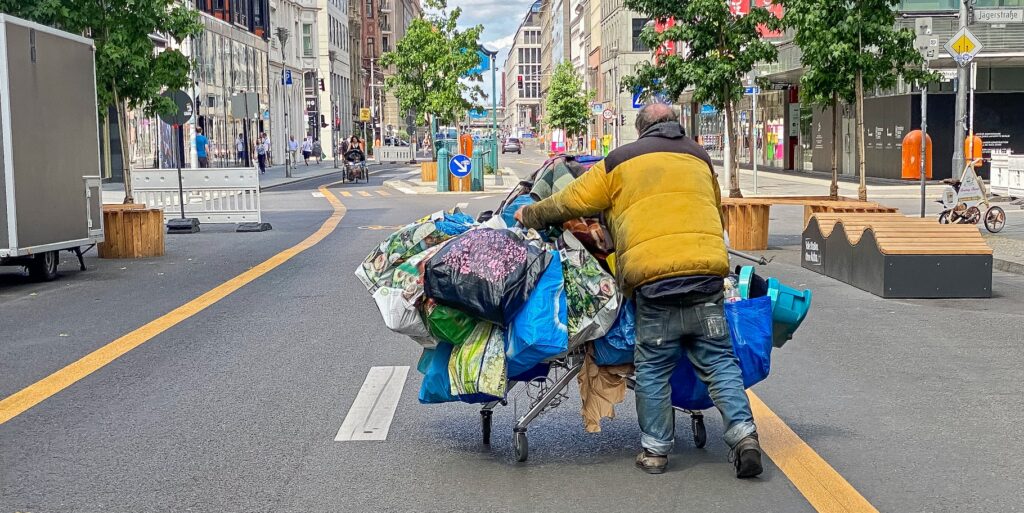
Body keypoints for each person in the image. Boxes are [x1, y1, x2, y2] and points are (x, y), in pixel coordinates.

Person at [515, 103, 762, 478]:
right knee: (718, 361)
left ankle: (656, 452)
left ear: (641, 128)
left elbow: (570, 200)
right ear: (675, 125)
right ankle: (744, 437)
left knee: (653, 366)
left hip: (655, 283)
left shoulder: (621, 160)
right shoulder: (699, 156)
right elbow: (713, 207)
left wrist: (529, 214)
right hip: (707, 277)